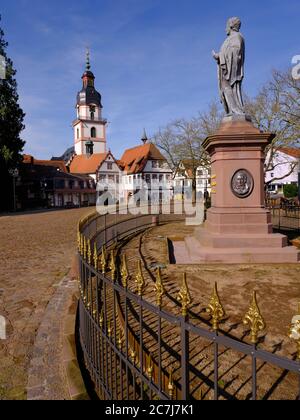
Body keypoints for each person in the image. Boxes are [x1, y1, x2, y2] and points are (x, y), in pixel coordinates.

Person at [212, 17, 245, 116]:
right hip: (226, 66)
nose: (225, 29)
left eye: (226, 26)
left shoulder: (236, 37)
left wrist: (219, 56)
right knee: (225, 88)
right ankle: (232, 111)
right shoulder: (230, 38)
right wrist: (221, 56)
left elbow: (236, 52)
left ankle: (236, 110)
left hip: (230, 69)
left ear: (231, 25)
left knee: (227, 87)